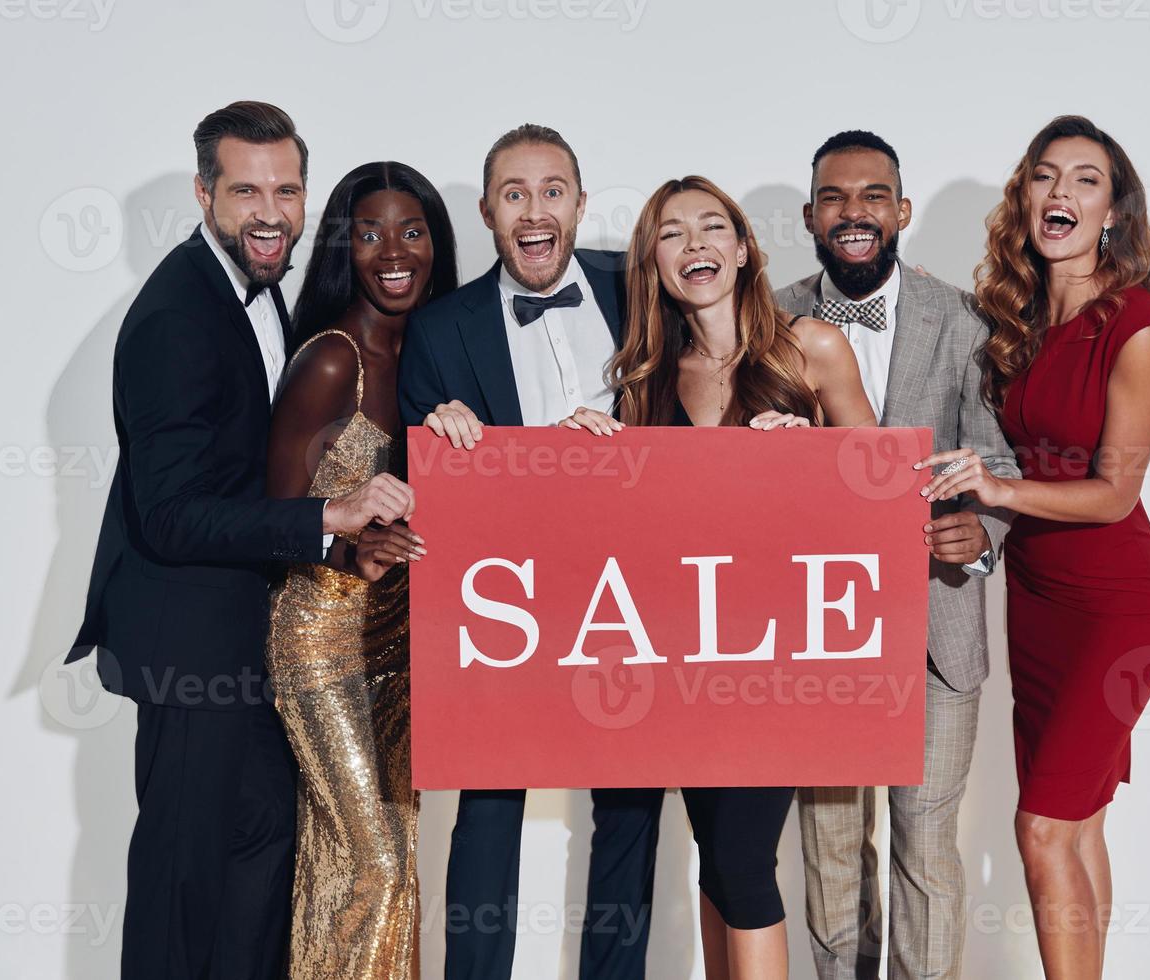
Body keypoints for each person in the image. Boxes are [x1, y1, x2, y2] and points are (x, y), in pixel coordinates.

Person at [66, 102, 416, 980]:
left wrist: (336, 550)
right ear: (204, 193)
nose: (270, 211)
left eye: (287, 189)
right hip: (191, 652)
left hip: (256, 645)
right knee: (185, 891)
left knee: (258, 876)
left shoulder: (263, 299)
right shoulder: (177, 315)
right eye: (246, 190)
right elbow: (174, 513)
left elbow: (264, 478)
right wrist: (327, 520)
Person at [562, 174, 875, 980]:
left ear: (742, 249)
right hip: (685, 662)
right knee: (717, 861)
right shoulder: (643, 380)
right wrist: (579, 453)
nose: (694, 245)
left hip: (778, 659)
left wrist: (811, 459)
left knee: (741, 864)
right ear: (653, 262)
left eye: (712, 228)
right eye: (672, 234)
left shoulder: (813, 348)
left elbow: (884, 491)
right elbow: (629, 539)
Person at [919, 115, 1150, 979]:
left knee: (1037, 828)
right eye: (1045, 176)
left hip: (1118, 604)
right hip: (1035, 602)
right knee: (1075, 827)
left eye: (1084, 179)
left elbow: (1116, 492)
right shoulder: (1019, 319)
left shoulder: (1136, 326)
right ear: (1025, 197)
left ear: (1113, 210)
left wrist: (997, 490)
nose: (1060, 193)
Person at [397, 124, 662, 980]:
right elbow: (411, 473)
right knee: (489, 804)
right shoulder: (440, 332)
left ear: (581, 205)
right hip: (505, 608)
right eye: (515, 193)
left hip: (634, 591)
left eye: (553, 191)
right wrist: (436, 435)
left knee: (630, 803)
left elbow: (720, 369)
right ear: (487, 212)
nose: (535, 209)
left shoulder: (641, 286)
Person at [773, 130, 1022, 980]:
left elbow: (1004, 459)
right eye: (835, 198)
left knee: (926, 846)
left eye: (873, 195)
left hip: (936, 624)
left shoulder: (963, 321)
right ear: (809, 215)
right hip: (817, 631)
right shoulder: (767, 319)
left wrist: (980, 533)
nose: (854, 212)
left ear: (901, 211)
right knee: (833, 847)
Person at [265, 161, 458, 978]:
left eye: (411, 232)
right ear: (346, 248)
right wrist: (347, 548)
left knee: (382, 862)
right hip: (319, 641)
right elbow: (270, 524)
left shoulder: (430, 356)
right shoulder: (331, 361)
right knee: (372, 860)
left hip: (398, 639)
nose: (393, 252)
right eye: (369, 233)